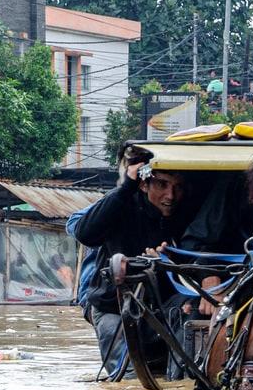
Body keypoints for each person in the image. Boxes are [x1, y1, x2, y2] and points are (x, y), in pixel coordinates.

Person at [73, 159, 193, 377]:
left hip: (165, 308)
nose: (170, 195)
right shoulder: (121, 204)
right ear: (144, 184)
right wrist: (127, 186)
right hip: (114, 307)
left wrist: (170, 260)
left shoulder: (187, 214)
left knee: (183, 377)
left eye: (178, 187)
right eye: (162, 185)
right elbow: (85, 234)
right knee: (128, 380)